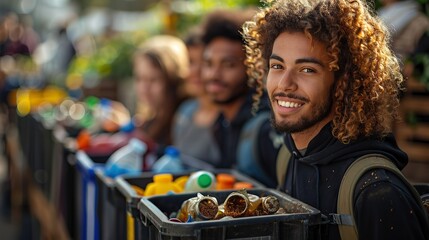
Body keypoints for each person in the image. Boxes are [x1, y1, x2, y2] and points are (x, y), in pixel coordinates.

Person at [242, 0, 429, 239]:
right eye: (277, 66)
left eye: (307, 69)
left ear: (344, 82)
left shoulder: (377, 191)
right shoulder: (288, 158)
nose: (284, 84)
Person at [200, 8, 282, 187]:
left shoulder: (266, 128)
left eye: (228, 65)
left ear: (252, 69)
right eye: (208, 63)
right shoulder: (221, 122)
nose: (214, 74)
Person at [132, 35, 189, 156]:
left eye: (153, 80)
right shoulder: (151, 118)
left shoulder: (183, 119)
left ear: (173, 81)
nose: (144, 88)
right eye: (140, 79)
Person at [172, 26, 221, 165]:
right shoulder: (185, 112)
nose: (195, 71)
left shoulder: (229, 119)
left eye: (205, 63)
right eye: (190, 62)